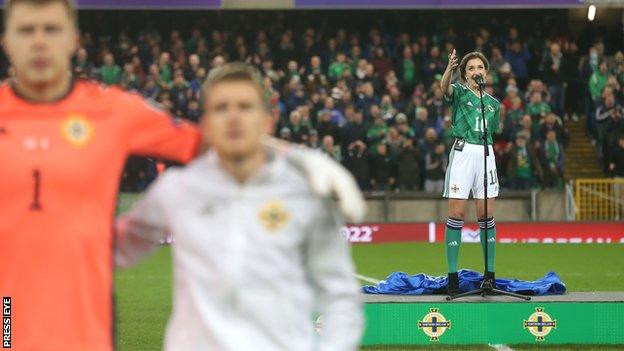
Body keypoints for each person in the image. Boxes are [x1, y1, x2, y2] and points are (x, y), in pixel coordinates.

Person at [0, 1, 363, 349]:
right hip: (8, 315)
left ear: (73, 40)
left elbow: (211, 138)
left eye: (51, 29)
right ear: (7, 40)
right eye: (26, 30)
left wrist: (297, 156)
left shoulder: (114, 111)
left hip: (85, 331)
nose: (39, 41)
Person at [115, 63, 364, 350]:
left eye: (245, 107)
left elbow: (340, 296)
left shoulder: (304, 193)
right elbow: (111, 247)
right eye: (221, 108)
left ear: (268, 121)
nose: (233, 117)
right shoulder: (177, 190)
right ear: (205, 123)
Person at [440, 50, 501, 296]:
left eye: (480, 67)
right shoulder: (459, 92)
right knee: (457, 213)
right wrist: (449, 70)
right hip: (463, 153)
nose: (477, 71)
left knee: (486, 214)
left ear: (486, 72)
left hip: (486, 154)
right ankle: (452, 276)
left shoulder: (494, 105)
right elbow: (445, 89)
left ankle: (490, 276)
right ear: (465, 75)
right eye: (471, 68)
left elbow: (493, 132)